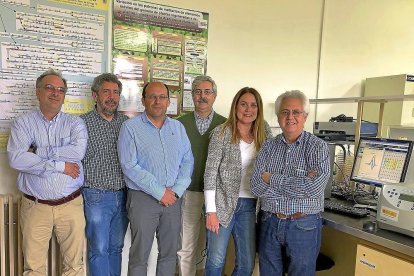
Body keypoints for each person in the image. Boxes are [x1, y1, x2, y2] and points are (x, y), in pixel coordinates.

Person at [7, 69, 88, 275]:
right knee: (33, 268)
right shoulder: (23, 123)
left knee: (75, 267)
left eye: (60, 89)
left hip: (71, 205)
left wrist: (39, 151)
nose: (55, 93)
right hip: (35, 207)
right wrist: (61, 165)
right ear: (38, 92)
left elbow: (77, 151)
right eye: (49, 88)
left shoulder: (75, 123)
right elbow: (17, 158)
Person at [250, 90, 330, 276]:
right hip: (269, 221)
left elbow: (315, 187)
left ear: (305, 116)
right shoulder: (268, 146)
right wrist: (299, 183)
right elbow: (255, 185)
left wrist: (271, 178)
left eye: (296, 112)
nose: (290, 117)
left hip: (304, 224)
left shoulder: (317, 147)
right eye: (285, 112)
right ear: (278, 117)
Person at [118, 81, 194, 276]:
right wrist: (160, 192)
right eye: (152, 96)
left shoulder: (178, 128)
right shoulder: (130, 128)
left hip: (173, 199)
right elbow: (129, 165)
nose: (157, 101)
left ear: (169, 101)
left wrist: (175, 191)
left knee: (169, 253)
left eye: (162, 97)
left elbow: (187, 162)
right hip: (143, 198)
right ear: (143, 100)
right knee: (139, 256)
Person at [204, 87, 272, 275]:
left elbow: (274, 162)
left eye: (253, 105)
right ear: (235, 107)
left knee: (246, 263)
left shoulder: (264, 131)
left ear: (258, 109)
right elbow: (210, 173)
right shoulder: (222, 132)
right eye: (243, 104)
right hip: (222, 205)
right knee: (216, 261)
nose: (248, 109)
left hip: (250, 206)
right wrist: (211, 211)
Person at [80, 73, 129, 276]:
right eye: (106, 91)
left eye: (116, 92)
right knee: (98, 249)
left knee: (116, 248)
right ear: (95, 95)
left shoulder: (127, 123)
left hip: (123, 195)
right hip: (96, 196)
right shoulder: (81, 124)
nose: (112, 97)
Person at [177, 76, 226, 276]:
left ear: (215, 95)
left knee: (215, 251)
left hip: (216, 196)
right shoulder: (179, 124)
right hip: (189, 193)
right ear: (192, 95)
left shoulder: (226, 124)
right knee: (186, 246)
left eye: (207, 92)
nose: (202, 96)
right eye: (198, 92)